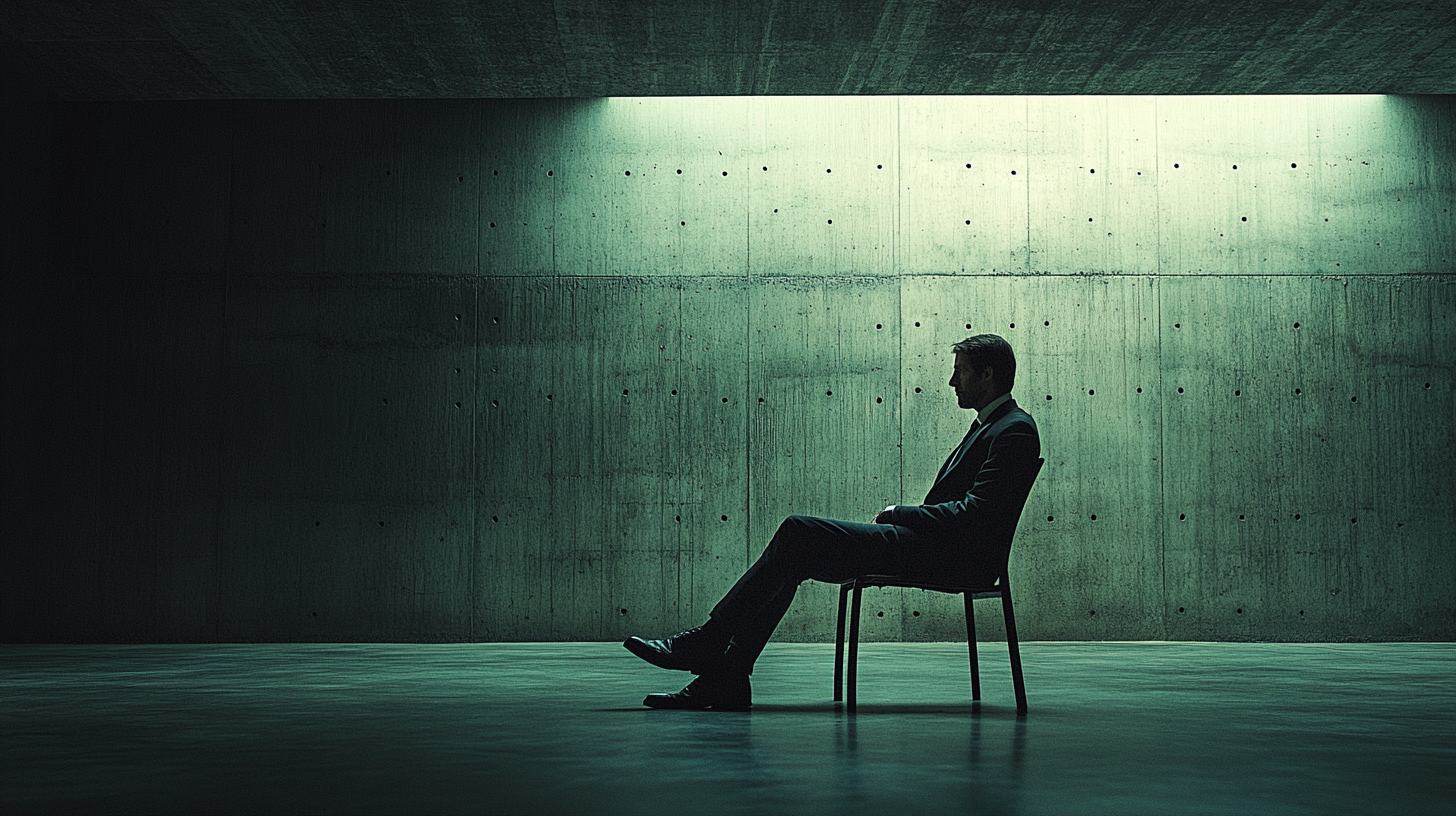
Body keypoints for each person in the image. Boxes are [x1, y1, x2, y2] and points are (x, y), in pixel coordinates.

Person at [624, 334, 1041, 710]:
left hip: (953, 559)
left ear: (987, 374)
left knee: (798, 531)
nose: (953, 383)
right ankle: (725, 677)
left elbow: (975, 516)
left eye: (960, 373)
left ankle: (708, 645)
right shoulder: (991, 427)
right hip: (933, 548)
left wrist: (900, 513)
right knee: (795, 555)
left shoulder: (1013, 431)